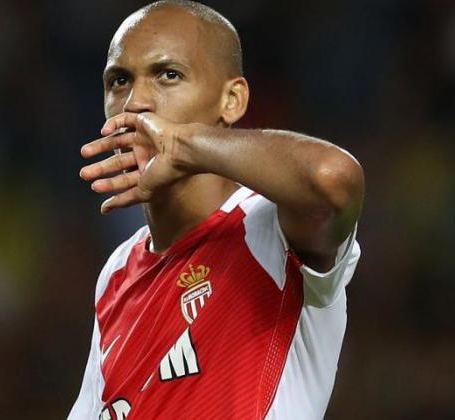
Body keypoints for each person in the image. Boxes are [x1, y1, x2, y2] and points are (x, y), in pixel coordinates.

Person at [68, 1, 364, 419]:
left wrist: (183, 145)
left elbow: (333, 178)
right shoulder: (118, 273)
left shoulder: (272, 228)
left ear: (232, 100)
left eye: (168, 75)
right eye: (119, 81)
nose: (134, 102)